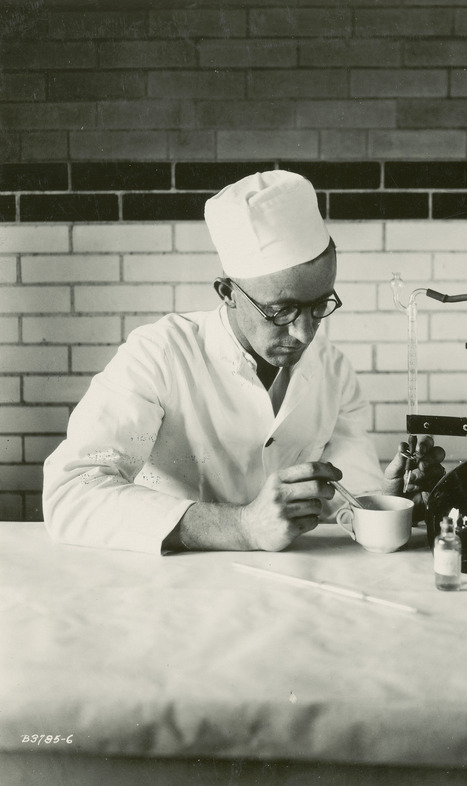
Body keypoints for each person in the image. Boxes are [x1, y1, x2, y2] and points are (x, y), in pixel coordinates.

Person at [43, 170, 444, 555]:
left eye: (321, 305)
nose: (305, 334)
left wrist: (388, 501)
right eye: (281, 311)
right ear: (227, 293)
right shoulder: (160, 355)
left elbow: (346, 510)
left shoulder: (333, 371)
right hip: (172, 586)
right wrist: (242, 526)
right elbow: (70, 494)